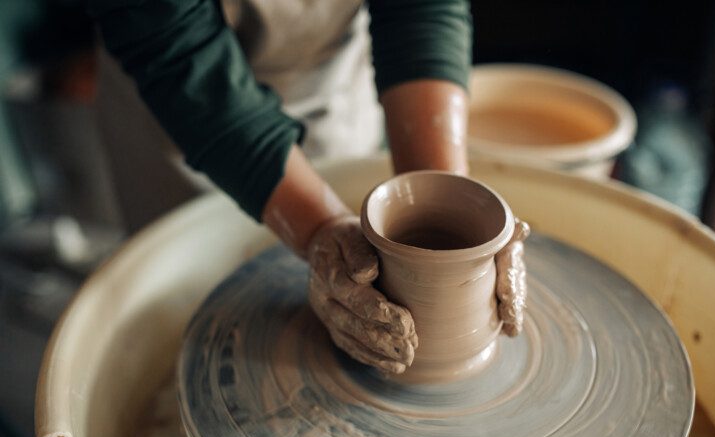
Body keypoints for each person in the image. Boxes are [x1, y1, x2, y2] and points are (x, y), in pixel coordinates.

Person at [88, 0, 526, 374]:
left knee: (358, 272)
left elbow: (421, 9)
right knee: (190, 328)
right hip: (189, 113)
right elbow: (175, 49)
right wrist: (320, 230)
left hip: (329, 83)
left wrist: (445, 196)